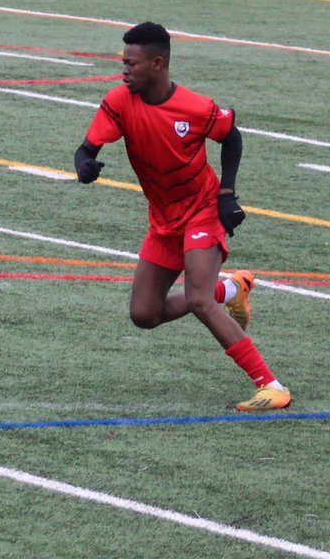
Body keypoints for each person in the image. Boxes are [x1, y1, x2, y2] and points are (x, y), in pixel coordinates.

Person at [73, 21, 290, 412]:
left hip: (203, 211)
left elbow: (232, 135)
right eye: (123, 62)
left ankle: (271, 385)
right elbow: (87, 147)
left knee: (198, 300)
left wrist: (227, 194)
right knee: (144, 314)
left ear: (158, 64)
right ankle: (232, 288)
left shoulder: (195, 107)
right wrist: (84, 162)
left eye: (131, 63)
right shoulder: (119, 100)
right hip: (163, 219)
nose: (124, 70)